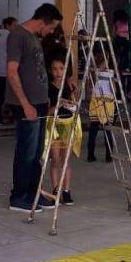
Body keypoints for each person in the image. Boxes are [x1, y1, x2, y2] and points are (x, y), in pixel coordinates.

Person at [6, 3, 63, 213]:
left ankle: (34, 193)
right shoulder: (18, 36)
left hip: (38, 105)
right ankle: (19, 196)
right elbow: (12, 72)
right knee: (26, 152)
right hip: (26, 105)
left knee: (37, 153)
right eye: (51, 27)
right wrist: (25, 104)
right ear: (43, 22)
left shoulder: (34, 38)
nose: (51, 32)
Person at [45, 47, 80, 205]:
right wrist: (58, 105)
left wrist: (73, 100)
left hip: (68, 124)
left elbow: (75, 104)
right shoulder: (48, 86)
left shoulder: (69, 85)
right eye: (54, 69)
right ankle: (56, 189)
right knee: (55, 159)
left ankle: (67, 191)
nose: (58, 72)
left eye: (61, 68)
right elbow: (47, 111)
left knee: (67, 159)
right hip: (54, 125)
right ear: (49, 70)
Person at [87, 49, 116, 163]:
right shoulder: (108, 73)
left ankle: (91, 155)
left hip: (96, 102)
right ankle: (108, 156)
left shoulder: (93, 73)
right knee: (107, 131)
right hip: (107, 103)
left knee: (94, 130)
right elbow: (114, 90)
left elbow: (89, 89)